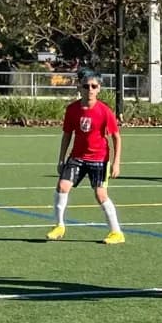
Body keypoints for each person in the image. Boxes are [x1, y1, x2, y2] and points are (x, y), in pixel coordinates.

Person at [46, 68, 125, 244]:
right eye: (86, 86)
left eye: (93, 86)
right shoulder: (72, 110)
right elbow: (67, 134)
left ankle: (116, 232)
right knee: (62, 186)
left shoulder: (105, 111)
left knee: (100, 195)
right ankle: (59, 225)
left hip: (99, 159)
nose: (90, 89)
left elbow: (116, 137)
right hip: (77, 158)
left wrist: (116, 162)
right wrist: (61, 159)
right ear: (79, 88)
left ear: (99, 89)